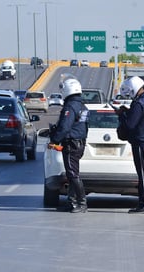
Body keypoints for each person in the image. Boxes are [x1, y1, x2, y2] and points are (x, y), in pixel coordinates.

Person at [116, 76, 144, 214]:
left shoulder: (138, 103)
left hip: (142, 141)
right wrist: (128, 111)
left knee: (142, 174)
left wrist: (122, 114)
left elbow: (130, 124)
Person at [48, 77, 89, 213]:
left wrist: (54, 140)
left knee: (73, 174)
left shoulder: (70, 106)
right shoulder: (82, 106)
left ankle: (82, 203)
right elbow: (84, 127)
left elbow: (65, 126)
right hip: (79, 143)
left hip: (72, 143)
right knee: (72, 174)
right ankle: (71, 202)